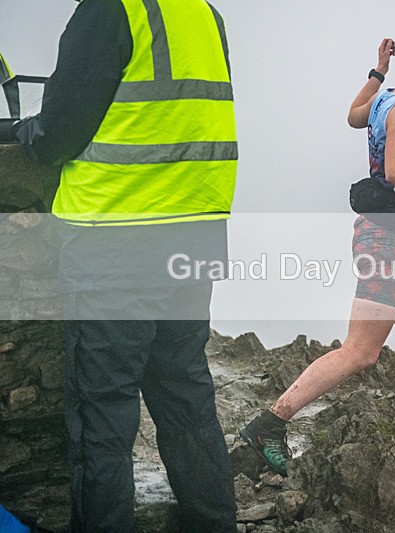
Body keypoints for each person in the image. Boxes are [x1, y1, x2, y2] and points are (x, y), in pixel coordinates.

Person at [11, 0, 238, 531]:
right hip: (194, 237)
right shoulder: (203, 14)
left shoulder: (110, 10)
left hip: (115, 242)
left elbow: (59, 132)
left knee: (102, 417)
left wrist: (25, 131)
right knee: (186, 399)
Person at [240, 35, 395, 477]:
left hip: (393, 243)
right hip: (384, 243)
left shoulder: (384, 99)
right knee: (360, 352)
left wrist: (378, 72)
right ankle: (269, 425)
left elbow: (353, 115)